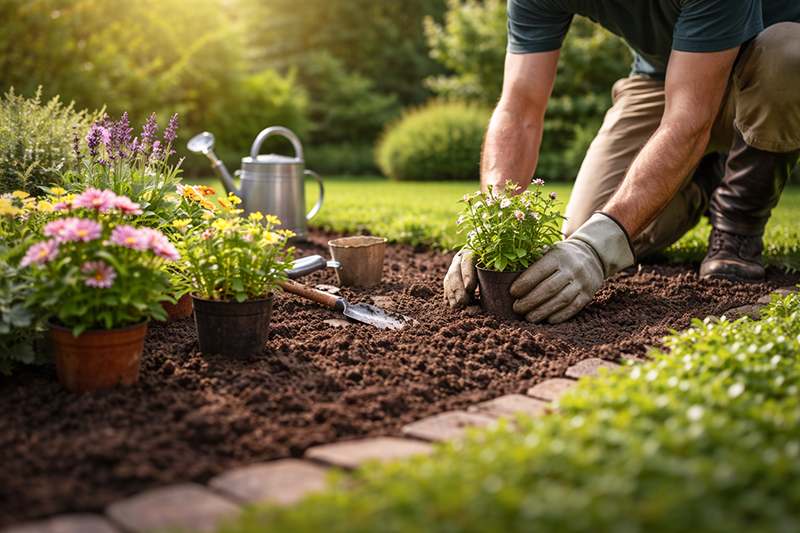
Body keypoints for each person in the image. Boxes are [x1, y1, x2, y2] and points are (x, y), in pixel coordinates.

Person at [444, 0, 800, 325]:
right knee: (583, 229)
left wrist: (597, 250)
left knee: (790, 55)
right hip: (661, 81)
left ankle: (738, 222)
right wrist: (496, 216)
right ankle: (702, 176)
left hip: (761, 71)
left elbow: (689, 119)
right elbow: (518, 105)